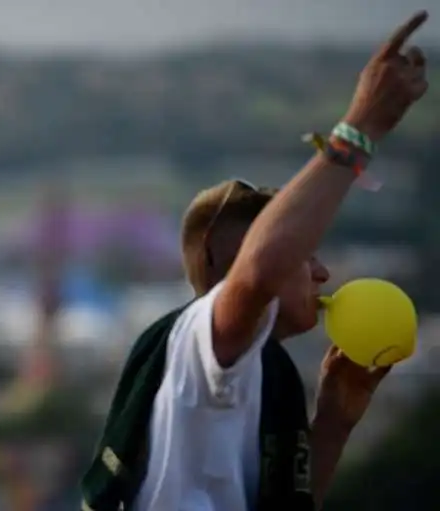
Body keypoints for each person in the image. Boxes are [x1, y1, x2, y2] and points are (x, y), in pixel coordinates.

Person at [81, 10, 429, 511]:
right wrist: (362, 127)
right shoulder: (202, 349)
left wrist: (331, 425)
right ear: (228, 261)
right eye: (303, 252)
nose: (323, 273)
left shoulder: (259, 373)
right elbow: (260, 271)